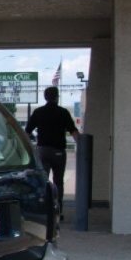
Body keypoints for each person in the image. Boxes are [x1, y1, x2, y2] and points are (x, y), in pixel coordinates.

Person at [25, 86, 79, 220]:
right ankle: (58, 211)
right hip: (59, 152)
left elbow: (26, 132)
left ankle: (44, 210)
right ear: (57, 97)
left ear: (45, 97)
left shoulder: (38, 112)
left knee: (43, 181)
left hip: (42, 151)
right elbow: (74, 132)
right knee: (58, 182)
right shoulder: (63, 112)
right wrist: (82, 146)